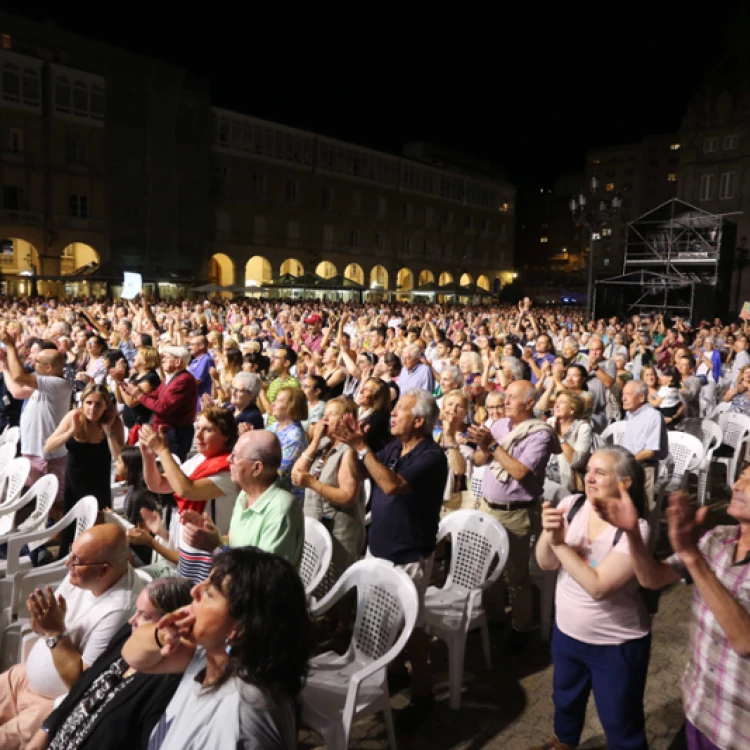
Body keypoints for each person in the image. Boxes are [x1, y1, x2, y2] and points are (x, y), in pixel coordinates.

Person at [598, 469, 750, 750]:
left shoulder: (700, 549)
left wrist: (692, 557)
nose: (738, 485)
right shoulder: (717, 538)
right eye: (741, 475)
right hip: (699, 711)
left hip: (739, 732)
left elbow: (745, 641)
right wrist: (632, 533)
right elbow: (652, 578)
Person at [332, 387, 447, 731]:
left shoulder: (431, 455)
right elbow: (365, 472)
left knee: (410, 626)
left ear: (420, 420)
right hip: (380, 547)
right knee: (379, 620)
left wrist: (361, 448)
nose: (393, 414)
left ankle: (422, 692)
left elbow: (392, 485)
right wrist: (351, 447)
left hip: (409, 552)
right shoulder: (396, 446)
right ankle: (395, 674)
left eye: (401, 410)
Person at [121, 547, 311, 750]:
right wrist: (162, 636)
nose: (194, 591)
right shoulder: (211, 655)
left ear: (238, 627)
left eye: (210, 593)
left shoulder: (240, 718)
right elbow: (133, 656)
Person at [531, 447, 652, 750]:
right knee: (565, 702)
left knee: (620, 720)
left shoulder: (637, 530)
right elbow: (545, 563)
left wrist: (559, 545)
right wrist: (549, 532)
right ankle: (563, 745)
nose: (590, 477)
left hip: (615, 645)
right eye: (588, 471)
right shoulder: (572, 505)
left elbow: (599, 587)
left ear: (625, 482)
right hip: (568, 634)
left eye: (601, 472)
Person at [0, 525, 143, 749]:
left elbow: (83, 685)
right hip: (24, 675)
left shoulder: (118, 610)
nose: (68, 564)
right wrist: (40, 622)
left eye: (76, 560)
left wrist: (55, 631)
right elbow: (43, 626)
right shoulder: (81, 575)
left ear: (104, 570)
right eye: (70, 553)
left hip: (50, 705)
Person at [25, 578, 193, 750]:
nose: (132, 620)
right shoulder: (128, 635)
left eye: (144, 616)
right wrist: (46, 729)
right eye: (136, 611)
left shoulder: (167, 682)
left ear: (169, 625)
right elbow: (83, 685)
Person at [469, 380, 560, 647]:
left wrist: (494, 446)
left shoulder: (540, 434)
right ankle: (495, 618)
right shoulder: (498, 425)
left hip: (516, 513)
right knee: (486, 568)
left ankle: (522, 627)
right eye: (505, 396)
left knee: (515, 575)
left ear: (529, 403)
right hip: (487, 507)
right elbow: (477, 461)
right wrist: (484, 447)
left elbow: (520, 472)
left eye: (511, 397)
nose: (505, 402)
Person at [179, 430, 304, 580]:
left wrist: (215, 548)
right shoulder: (245, 495)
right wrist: (212, 534)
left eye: (235, 456)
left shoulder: (281, 509)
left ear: (257, 468)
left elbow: (266, 577)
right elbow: (234, 544)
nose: (228, 460)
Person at [138, 408, 239, 576]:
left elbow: (186, 490)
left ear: (226, 436)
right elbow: (158, 485)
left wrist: (163, 451)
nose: (198, 436)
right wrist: (148, 457)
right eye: (197, 428)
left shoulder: (227, 469)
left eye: (208, 430)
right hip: (185, 548)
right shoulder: (198, 459)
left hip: (208, 557)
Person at [293, 397, 366, 580]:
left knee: (333, 585)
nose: (323, 420)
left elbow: (348, 496)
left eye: (331, 414)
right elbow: (296, 474)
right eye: (324, 415)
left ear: (346, 419)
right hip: (313, 525)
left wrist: (313, 483)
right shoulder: (323, 445)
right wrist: (315, 441)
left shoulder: (349, 451)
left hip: (338, 532)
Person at [0, 331, 72, 507]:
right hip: (33, 451)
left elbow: (19, 377)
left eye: (37, 361)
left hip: (47, 455)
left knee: (53, 503)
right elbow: (17, 391)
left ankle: (59, 533)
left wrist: (10, 346)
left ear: (48, 368)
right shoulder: (44, 381)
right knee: (34, 502)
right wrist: (4, 364)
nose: (32, 362)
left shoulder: (57, 383)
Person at [45, 384, 125, 516]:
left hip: (99, 479)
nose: (92, 408)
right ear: (82, 403)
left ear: (106, 406)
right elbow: (48, 446)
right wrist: (70, 432)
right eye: (89, 403)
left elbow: (119, 457)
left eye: (98, 404)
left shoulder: (114, 422)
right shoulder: (74, 417)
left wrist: (108, 431)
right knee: (73, 520)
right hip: (75, 478)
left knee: (98, 521)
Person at [121, 346, 198, 462]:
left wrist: (138, 395)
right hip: (166, 430)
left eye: (166, 357)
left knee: (170, 467)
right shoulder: (171, 378)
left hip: (176, 434)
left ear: (177, 361)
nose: (162, 360)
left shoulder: (184, 380)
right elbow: (155, 395)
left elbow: (162, 407)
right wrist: (134, 391)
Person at [621, 380, 669, 511]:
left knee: (643, 510)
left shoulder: (653, 416)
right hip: (629, 466)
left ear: (641, 397)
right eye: (623, 394)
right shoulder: (630, 414)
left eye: (628, 394)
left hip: (645, 468)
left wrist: (626, 462)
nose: (623, 398)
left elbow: (650, 451)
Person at [545, 390, 592, 494]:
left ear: (572, 409)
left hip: (568, 487)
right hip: (545, 484)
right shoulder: (549, 422)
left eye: (562, 402)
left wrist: (559, 436)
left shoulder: (583, 428)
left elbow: (576, 462)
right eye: (556, 402)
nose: (556, 405)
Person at [267, 386, 308, 500]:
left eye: (279, 401)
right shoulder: (273, 427)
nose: (273, 404)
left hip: (284, 497)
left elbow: (281, 472)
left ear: (292, 406)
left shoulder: (295, 435)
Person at [112, 345, 161, 441]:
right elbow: (120, 399)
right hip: (130, 424)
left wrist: (121, 381)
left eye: (138, 354)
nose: (134, 357)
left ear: (145, 361)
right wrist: (117, 380)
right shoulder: (135, 376)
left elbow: (131, 402)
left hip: (142, 426)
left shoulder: (151, 378)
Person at [259, 347, 300, 426]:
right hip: (270, 427)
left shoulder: (292, 384)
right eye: (273, 357)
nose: (272, 361)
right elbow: (264, 408)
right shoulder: (275, 381)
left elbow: (271, 411)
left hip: (282, 430)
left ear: (286, 363)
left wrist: (260, 390)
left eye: (276, 358)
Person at [356, 376, 392, 452]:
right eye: (363, 387)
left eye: (367, 389)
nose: (361, 391)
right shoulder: (355, 410)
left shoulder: (379, 419)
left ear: (378, 397)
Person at [187, 335, 215, 412]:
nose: (189, 347)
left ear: (201, 346)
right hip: (193, 402)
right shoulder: (194, 361)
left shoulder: (206, 360)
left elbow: (195, 382)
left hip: (200, 404)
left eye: (192, 344)